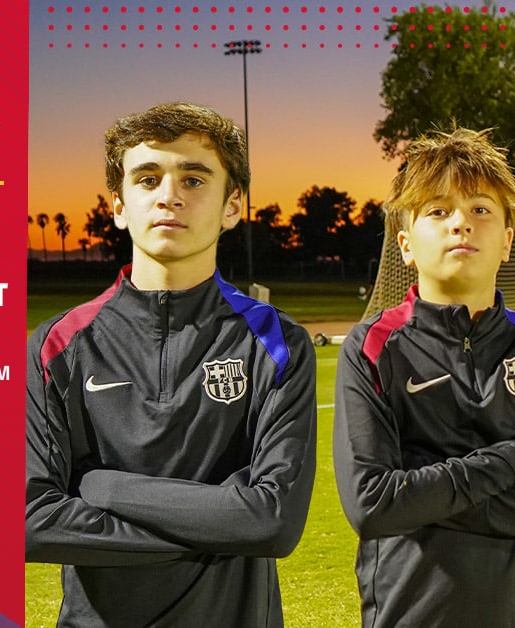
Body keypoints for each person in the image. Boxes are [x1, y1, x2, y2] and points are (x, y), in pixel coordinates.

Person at [24, 102, 316, 627]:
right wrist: (225, 519)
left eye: (194, 179)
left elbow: (273, 524)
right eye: (147, 178)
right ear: (119, 205)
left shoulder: (277, 343)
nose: (169, 195)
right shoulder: (56, 346)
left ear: (232, 206)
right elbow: (31, 521)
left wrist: (101, 486)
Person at [333, 127, 515, 627]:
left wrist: (419, 492)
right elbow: (372, 505)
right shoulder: (373, 348)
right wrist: (513, 460)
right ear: (406, 245)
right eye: (438, 211)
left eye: (480, 209)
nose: (461, 223)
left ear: (507, 242)